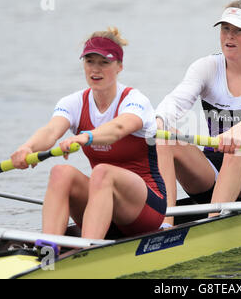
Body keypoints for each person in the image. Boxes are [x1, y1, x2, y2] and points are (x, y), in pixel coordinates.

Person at [11, 27, 166, 240]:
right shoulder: (73, 102)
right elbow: (50, 131)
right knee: (60, 172)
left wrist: (86, 136)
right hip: (102, 204)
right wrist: (27, 148)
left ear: (120, 66)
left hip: (145, 210)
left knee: (102, 172)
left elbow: (119, 128)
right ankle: (48, 249)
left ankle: (86, 252)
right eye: (90, 61)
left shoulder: (135, 100)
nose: (96, 69)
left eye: (104, 62)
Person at [156, 0, 241, 225]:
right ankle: (165, 223)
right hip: (213, 174)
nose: (229, 36)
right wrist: (158, 121)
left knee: (239, 144)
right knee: (165, 137)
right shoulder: (205, 67)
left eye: (238, 30)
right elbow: (175, 101)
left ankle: (211, 226)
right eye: (225, 29)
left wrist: (236, 132)